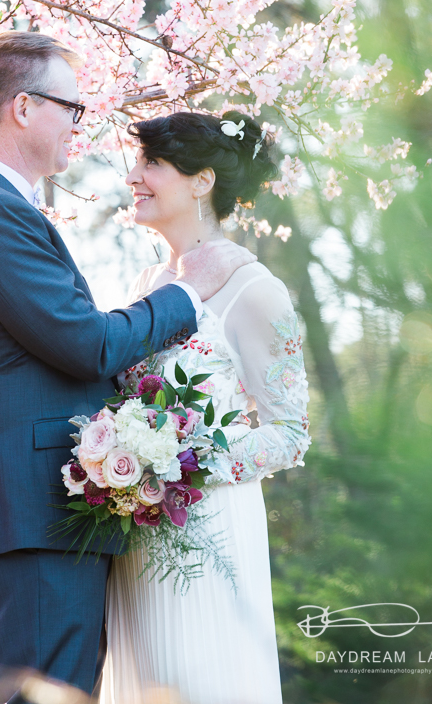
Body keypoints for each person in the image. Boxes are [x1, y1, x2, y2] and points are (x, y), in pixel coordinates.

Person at [0, 32, 257, 703]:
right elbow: (86, 345)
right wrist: (185, 293)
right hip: (25, 508)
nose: (80, 123)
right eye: (71, 107)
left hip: (32, 508)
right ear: (23, 107)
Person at [99, 111, 312, 704]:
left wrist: (181, 463)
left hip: (209, 529)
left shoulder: (256, 289)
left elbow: (290, 433)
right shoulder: (145, 284)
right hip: (138, 535)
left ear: (202, 181)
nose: (133, 177)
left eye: (152, 164)